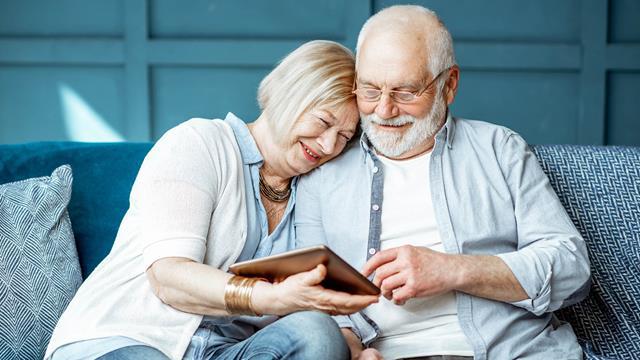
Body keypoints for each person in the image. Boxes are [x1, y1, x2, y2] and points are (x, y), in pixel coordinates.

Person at [45, 40, 378, 360]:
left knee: (316, 333)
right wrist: (269, 297)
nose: (328, 145)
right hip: (129, 337)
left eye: (344, 137)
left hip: (224, 351)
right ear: (288, 95)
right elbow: (168, 278)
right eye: (323, 122)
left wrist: (352, 347)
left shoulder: (310, 193)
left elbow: (320, 297)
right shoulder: (200, 143)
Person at [295, 6, 591, 360]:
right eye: (370, 91)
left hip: (514, 352)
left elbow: (572, 269)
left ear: (448, 85)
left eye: (405, 92)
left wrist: (452, 269)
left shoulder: (499, 148)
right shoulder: (324, 172)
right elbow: (313, 294)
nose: (384, 111)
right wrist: (352, 348)